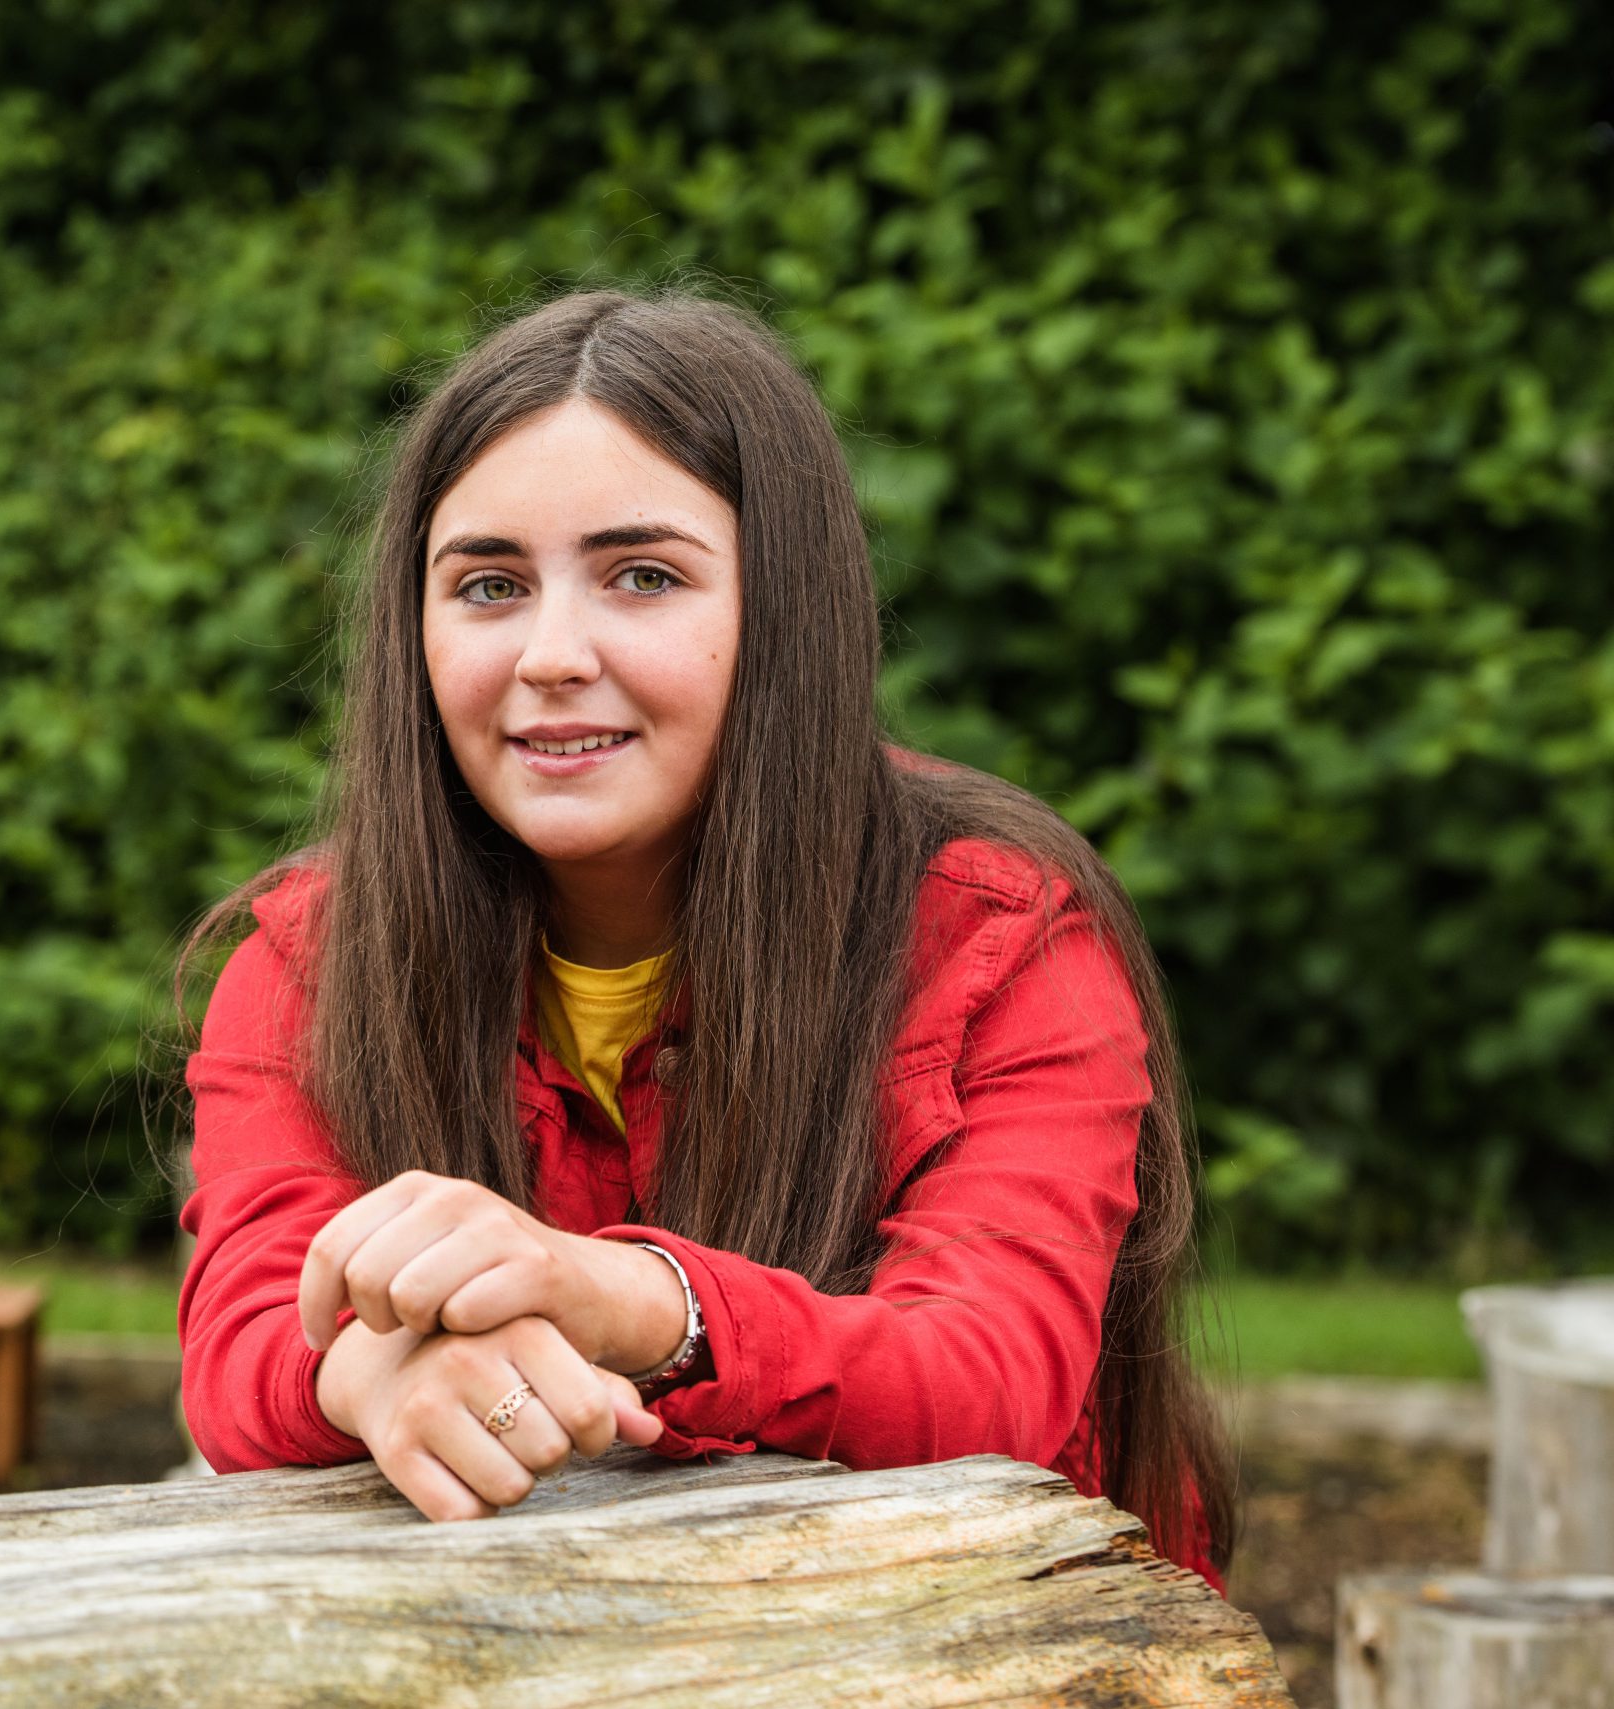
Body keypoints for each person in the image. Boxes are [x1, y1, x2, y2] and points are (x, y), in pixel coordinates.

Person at [171, 288, 1235, 1592]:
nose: (553, 652)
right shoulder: (305, 963)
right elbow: (240, 1344)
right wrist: (369, 1371)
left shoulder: (1001, 945)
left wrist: (622, 1300)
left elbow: (986, 1379)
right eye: (490, 585)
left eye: (644, 576)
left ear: (785, 614)